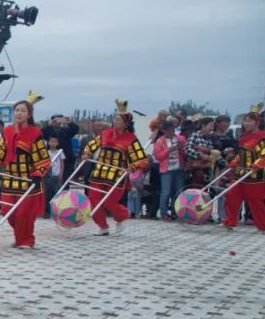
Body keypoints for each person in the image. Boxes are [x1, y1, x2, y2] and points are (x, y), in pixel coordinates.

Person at [0, 92, 50, 249]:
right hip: (9, 180)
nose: (19, 113)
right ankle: (20, 236)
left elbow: (43, 158)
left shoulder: (35, 133)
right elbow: (0, 152)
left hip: (28, 181)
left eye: (23, 111)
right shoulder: (8, 131)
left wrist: (38, 173)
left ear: (29, 115)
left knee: (24, 214)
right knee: (7, 211)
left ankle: (26, 240)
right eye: (17, 110)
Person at [82, 100, 150, 236]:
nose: (115, 121)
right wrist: (87, 153)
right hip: (100, 172)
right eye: (115, 119)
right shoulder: (106, 133)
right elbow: (91, 145)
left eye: (118, 119)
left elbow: (142, 159)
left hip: (117, 175)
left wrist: (132, 166)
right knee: (94, 199)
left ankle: (122, 217)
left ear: (125, 123)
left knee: (110, 201)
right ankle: (102, 226)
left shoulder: (131, 139)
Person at [223, 105, 265, 232]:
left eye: (250, 121)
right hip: (241, 173)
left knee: (255, 201)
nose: (246, 123)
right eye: (245, 120)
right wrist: (234, 162)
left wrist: (257, 164)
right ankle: (230, 221)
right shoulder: (243, 137)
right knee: (232, 195)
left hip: (255, 175)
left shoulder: (262, 137)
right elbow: (241, 154)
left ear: (257, 122)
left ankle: (264, 225)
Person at [153, 120, 186, 220]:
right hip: (166, 170)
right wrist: (168, 150)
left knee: (179, 192)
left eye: (173, 130)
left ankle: (176, 212)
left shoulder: (181, 138)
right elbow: (158, 156)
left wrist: (181, 149)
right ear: (164, 130)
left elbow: (186, 154)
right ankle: (164, 213)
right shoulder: (160, 141)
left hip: (179, 168)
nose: (171, 132)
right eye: (169, 131)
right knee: (165, 192)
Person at [41, 114, 80, 182]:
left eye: (60, 120)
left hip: (67, 159)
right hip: (51, 158)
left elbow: (76, 129)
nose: (58, 122)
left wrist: (69, 122)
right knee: (50, 181)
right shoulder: (48, 130)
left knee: (65, 181)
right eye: (56, 120)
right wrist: (50, 124)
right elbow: (42, 132)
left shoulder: (66, 130)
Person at [44, 136, 64, 217]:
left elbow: (62, 163)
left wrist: (61, 173)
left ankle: (58, 212)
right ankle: (47, 211)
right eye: (51, 141)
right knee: (48, 194)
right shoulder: (46, 152)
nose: (53, 143)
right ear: (48, 143)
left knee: (57, 193)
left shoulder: (60, 152)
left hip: (57, 175)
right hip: (49, 176)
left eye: (55, 141)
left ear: (57, 143)